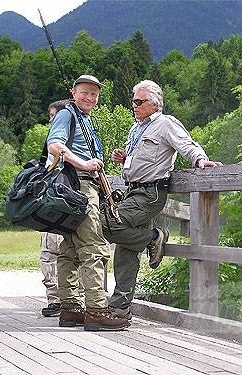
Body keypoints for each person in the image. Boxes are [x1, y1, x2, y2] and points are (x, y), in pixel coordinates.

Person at [102, 80, 222, 319]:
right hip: (132, 190)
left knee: (108, 224)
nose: (134, 105)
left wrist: (200, 161)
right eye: (132, 101)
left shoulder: (165, 123)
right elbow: (143, 158)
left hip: (151, 193)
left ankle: (154, 237)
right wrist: (126, 157)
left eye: (139, 101)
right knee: (126, 249)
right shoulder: (136, 129)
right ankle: (119, 308)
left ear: (155, 103)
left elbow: (186, 144)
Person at [47, 75, 130, 330]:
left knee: (71, 247)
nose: (89, 98)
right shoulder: (67, 115)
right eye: (85, 93)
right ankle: (96, 309)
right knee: (94, 244)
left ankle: (70, 308)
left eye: (94, 95)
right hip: (80, 184)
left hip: (78, 185)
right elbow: (54, 145)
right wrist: (84, 164)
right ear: (74, 92)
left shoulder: (84, 119)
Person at [40, 99, 68, 318]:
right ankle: (58, 299)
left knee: (52, 251)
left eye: (53, 116)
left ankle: (60, 300)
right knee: (50, 252)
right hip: (52, 202)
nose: (50, 121)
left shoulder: (63, 144)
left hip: (59, 202)